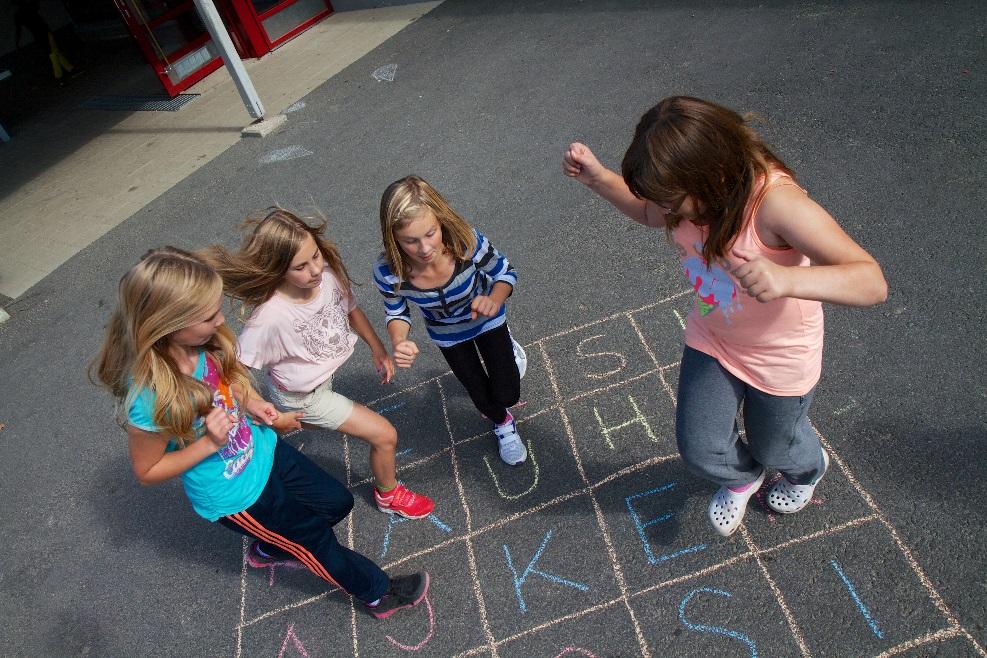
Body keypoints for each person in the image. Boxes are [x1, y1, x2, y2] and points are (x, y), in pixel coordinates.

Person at [563, 96, 888, 536]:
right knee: (700, 446)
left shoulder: (776, 205)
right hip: (713, 337)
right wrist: (599, 178)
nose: (669, 212)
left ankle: (807, 470)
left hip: (780, 356)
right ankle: (742, 478)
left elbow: (871, 282)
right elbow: (645, 210)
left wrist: (786, 280)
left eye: (675, 200)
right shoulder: (681, 197)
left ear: (712, 175)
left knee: (777, 443)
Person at [92, 247, 429, 618]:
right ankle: (378, 593)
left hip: (263, 450)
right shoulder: (150, 394)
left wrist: (252, 404)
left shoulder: (202, 343)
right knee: (316, 542)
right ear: (168, 324)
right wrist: (208, 443)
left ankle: (271, 547)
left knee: (336, 502)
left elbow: (228, 382)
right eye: (208, 316)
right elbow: (147, 470)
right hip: (238, 494)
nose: (220, 319)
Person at [200, 209, 434, 519]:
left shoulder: (326, 276)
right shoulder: (269, 318)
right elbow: (231, 373)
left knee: (295, 421)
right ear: (279, 269)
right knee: (384, 435)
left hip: (316, 378)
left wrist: (377, 347)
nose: (314, 269)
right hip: (304, 395)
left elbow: (351, 309)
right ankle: (389, 495)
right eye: (300, 266)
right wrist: (260, 408)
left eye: (316, 256)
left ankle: (272, 425)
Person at [374, 175, 529, 466]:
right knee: (481, 395)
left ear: (441, 220)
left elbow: (506, 272)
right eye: (410, 240)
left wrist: (494, 299)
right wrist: (399, 339)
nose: (424, 248)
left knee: (507, 391)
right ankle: (503, 425)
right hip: (448, 334)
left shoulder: (465, 241)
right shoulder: (388, 270)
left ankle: (509, 352)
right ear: (392, 237)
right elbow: (396, 310)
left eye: (431, 233)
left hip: (487, 319)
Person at [13, 0, 76, 85]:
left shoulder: (19, 14)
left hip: (38, 35)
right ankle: (59, 77)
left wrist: (17, 42)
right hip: (45, 32)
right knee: (53, 53)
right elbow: (36, 6)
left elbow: (18, 30)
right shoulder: (28, 8)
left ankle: (70, 69)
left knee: (54, 52)